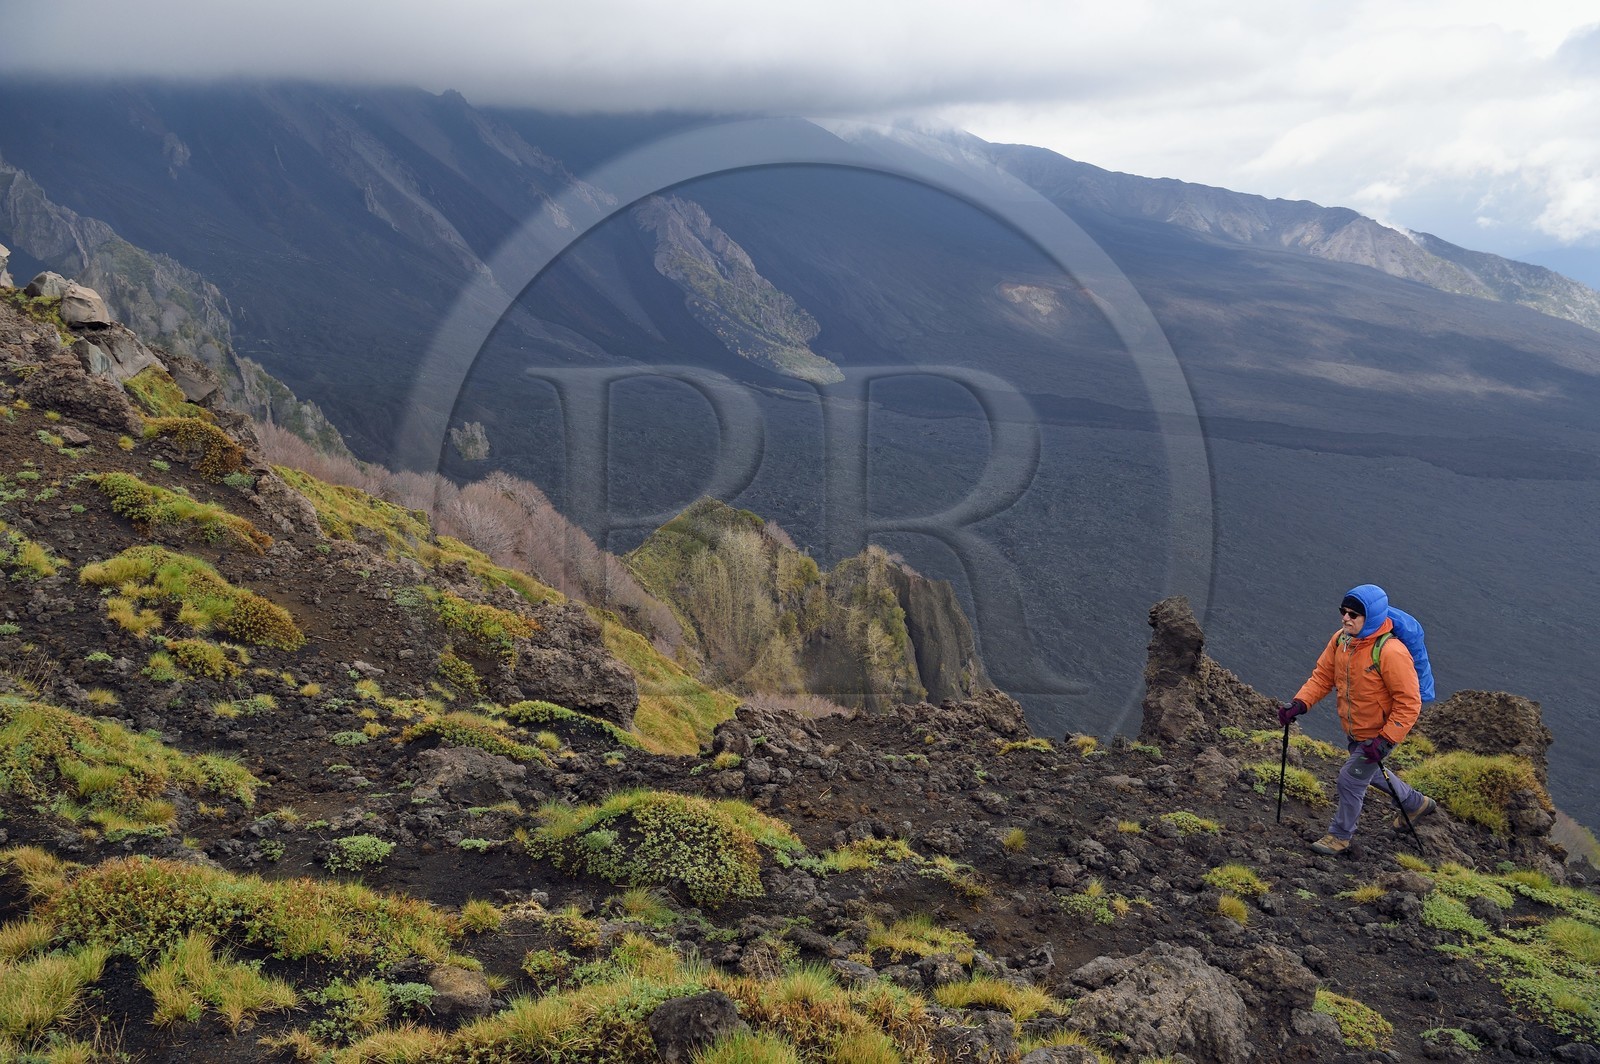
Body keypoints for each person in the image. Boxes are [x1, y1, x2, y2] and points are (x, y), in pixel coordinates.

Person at [1278, 583, 1437, 854]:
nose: (1345, 618)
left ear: (1371, 617)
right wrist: (1300, 703)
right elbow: (1322, 677)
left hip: (1380, 734)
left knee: (1350, 779)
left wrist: (1385, 741)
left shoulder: (1391, 652)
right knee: (1369, 773)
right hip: (1356, 729)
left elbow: (1409, 703)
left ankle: (1339, 837)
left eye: (1354, 614)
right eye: (1344, 611)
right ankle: (1415, 803)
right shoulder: (1341, 641)